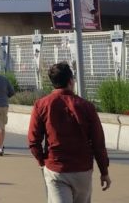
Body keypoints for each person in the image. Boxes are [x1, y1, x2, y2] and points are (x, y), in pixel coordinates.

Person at [28, 62, 111, 203]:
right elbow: (98, 143)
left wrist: (41, 161)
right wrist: (104, 171)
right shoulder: (87, 107)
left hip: (56, 169)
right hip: (82, 170)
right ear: (71, 81)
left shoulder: (41, 105)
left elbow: (33, 140)